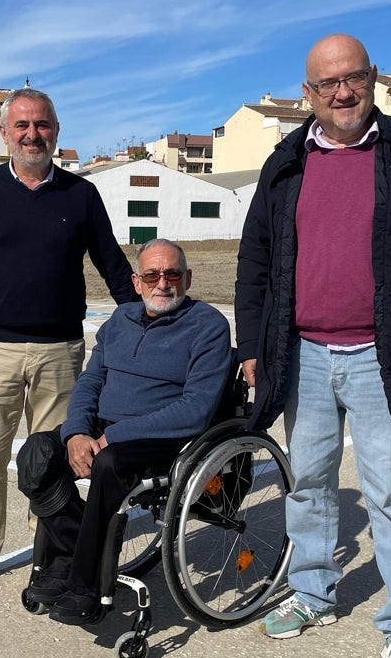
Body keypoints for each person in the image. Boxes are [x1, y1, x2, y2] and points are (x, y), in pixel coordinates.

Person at [235, 34, 391, 658]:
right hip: (301, 354)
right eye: (328, 83)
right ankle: (312, 592)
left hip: (382, 354)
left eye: (354, 78)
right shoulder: (285, 162)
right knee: (307, 481)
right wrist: (253, 344)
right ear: (307, 94)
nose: (343, 92)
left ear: (373, 80)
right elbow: (255, 260)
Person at [0, 88, 138, 597]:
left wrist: (143, 322)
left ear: (56, 131)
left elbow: (112, 265)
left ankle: (47, 553)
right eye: (22, 126)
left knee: (51, 463)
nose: (33, 134)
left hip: (61, 352)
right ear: (5, 133)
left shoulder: (81, 195)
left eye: (42, 125)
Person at [16, 239, 233, 624]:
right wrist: (76, 434)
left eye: (172, 274)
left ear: (188, 278)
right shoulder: (121, 321)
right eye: (152, 275)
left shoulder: (208, 326)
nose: (162, 283)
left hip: (165, 437)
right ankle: (73, 552)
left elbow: (195, 410)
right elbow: (90, 381)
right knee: (37, 453)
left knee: (109, 465)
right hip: (101, 428)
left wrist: (110, 439)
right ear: (137, 282)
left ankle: (85, 586)